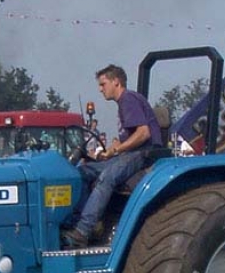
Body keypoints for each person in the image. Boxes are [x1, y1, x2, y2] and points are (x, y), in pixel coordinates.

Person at [62, 64, 162, 248]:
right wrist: (107, 152)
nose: (100, 89)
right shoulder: (123, 104)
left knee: (107, 176)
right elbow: (125, 139)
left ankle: (83, 231)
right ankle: (80, 221)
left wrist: (116, 151)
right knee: (82, 172)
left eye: (103, 84)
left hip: (145, 154)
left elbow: (143, 133)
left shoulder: (128, 99)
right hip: (131, 153)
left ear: (116, 81)